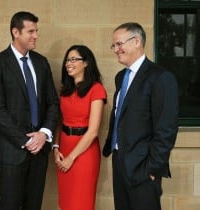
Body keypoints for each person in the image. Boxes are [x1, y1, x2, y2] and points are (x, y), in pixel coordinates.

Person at [0, 11, 59, 210]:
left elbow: (53, 103)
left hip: (40, 150)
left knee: (34, 205)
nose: (36, 36)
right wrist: (27, 140)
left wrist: (44, 134)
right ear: (15, 32)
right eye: (30, 31)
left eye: (36, 31)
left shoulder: (41, 63)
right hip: (12, 150)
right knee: (10, 205)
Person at [102, 22, 178, 210]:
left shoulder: (160, 77)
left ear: (136, 41)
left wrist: (153, 169)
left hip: (143, 167)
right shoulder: (121, 77)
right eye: (114, 45)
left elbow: (166, 128)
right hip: (120, 162)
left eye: (119, 44)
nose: (116, 50)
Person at [53, 45, 107, 210]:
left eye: (74, 59)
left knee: (81, 203)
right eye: (67, 60)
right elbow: (59, 122)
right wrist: (55, 148)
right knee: (66, 203)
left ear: (86, 63)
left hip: (84, 153)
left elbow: (93, 132)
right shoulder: (65, 91)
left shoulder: (96, 89)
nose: (68, 63)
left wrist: (71, 158)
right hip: (63, 149)